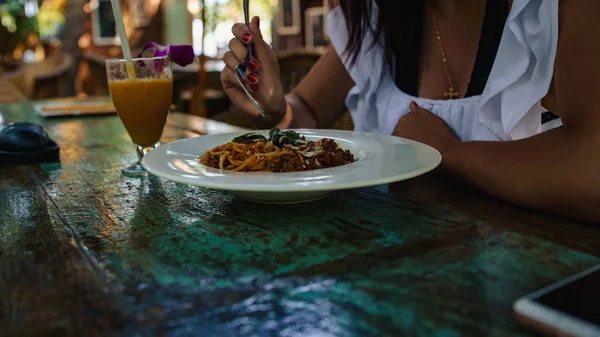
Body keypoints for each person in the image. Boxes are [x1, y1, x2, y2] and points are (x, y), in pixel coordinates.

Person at [221, 0, 600, 223]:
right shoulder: (380, 18)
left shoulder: (554, 10)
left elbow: (590, 170)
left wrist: (446, 152)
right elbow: (302, 113)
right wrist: (273, 110)